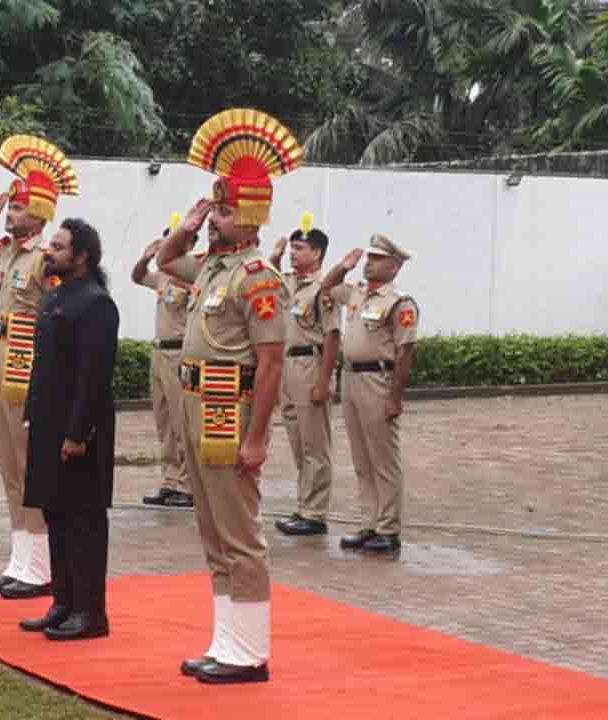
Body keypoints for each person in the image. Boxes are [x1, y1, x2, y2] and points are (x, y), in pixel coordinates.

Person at [157, 108, 301, 684]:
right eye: (212, 207)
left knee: (238, 531)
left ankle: (251, 651)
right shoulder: (215, 269)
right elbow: (166, 261)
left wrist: (258, 437)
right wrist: (188, 224)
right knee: (212, 529)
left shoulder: (259, 277)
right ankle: (227, 639)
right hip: (196, 404)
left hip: (228, 409)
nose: (213, 217)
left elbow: (270, 365)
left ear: (248, 218)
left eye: (220, 210)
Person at [0, 135, 80, 600]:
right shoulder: (7, 251)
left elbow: (60, 321)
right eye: (10, 207)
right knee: (9, 461)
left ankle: (42, 564)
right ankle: (20, 557)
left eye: (20, 210)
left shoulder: (46, 262)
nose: (11, 215)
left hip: (28, 361)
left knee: (32, 462)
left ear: (42, 215)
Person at [18, 218, 120, 641]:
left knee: (83, 520)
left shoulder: (96, 303)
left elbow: (93, 377)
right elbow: (44, 365)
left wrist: (77, 433)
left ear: (82, 256)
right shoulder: (56, 295)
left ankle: (90, 612)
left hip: (78, 431)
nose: (49, 252)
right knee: (54, 514)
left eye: (58, 247)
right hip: (47, 423)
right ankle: (63, 602)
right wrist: (31, 414)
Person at [321, 234, 418, 553]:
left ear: (394, 266)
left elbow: (405, 352)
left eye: (377, 259)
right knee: (361, 458)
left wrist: (394, 397)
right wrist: (343, 266)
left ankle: (388, 529)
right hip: (350, 378)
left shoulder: (400, 303)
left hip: (378, 379)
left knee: (382, 459)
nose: (369, 263)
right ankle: (369, 523)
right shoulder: (357, 293)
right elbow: (327, 287)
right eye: (369, 257)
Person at [268, 216, 341, 535]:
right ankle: (304, 506)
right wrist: (274, 256)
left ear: (317, 253)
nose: (293, 254)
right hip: (288, 367)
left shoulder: (323, 290)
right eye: (292, 248)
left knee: (315, 444)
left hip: (311, 366)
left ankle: (315, 513)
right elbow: (268, 284)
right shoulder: (290, 283)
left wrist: (324, 382)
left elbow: (332, 337)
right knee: (299, 442)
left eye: (299, 249)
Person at [132, 224, 194, 508]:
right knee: (164, 421)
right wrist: (146, 257)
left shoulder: (192, 279)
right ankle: (171, 480)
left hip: (180, 353)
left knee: (183, 421)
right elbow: (137, 277)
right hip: (160, 353)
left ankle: (189, 484)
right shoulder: (163, 280)